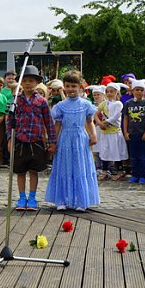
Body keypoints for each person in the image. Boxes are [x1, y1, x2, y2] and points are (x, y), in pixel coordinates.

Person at [45, 70, 99, 211]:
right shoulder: (61, 106)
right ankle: (61, 200)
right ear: (64, 87)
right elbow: (57, 125)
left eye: (73, 86)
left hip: (80, 139)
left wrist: (93, 135)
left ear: (80, 87)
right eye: (67, 86)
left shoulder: (86, 104)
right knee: (65, 167)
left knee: (80, 167)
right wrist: (53, 142)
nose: (70, 89)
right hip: (65, 139)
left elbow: (89, 121)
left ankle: (81, 200)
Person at [8, 65, 56, 211]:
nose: (28, 83)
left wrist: (53, 141)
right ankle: (22, 197)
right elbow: (10, 121)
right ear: (21, 83)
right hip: (20, 141)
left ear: (37, 83)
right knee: (20, 171)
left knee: (34, 171)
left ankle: (33, 198)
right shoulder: (16, 100)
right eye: (25, 80)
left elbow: (49, 122)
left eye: (31, 81)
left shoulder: (41, 101)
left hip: (36, 141)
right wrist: (10, 138)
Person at [122, 79, 145, 184]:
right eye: (137, 89)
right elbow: (126, 118)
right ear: (132, 91)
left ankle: (143, 175)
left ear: (144, 91)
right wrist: (125, 132)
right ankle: (135, 174)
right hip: (131, 134)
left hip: (142, 133)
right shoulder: (128, 103)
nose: (139, 92)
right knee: (133, 156)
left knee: (143, 156)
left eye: (141, 90)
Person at [96, 82, 128, 181]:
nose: (109, 93)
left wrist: (105, 122)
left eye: (111, 92)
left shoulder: (118, 104)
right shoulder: (103, 103)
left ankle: (120, 170)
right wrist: (99, 123)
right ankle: (105, 171)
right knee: (105, 151)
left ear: (116, 93)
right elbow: (95, 114)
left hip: (114, 132)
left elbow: (116, 116)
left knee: (116, 151)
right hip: (105, 132)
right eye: (107, 91)